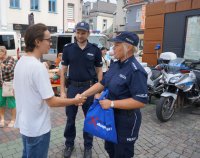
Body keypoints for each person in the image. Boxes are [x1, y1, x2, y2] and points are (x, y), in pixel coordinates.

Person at [13, 23, 86, 158]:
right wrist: (75, 100)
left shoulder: (20, 62)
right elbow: (51, 101)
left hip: (25, 125)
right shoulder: (37, 67)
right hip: (38, 128)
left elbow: (15, 91)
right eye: (48, 40)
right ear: (37, 41)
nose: (50, 44)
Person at [79, 31, 148, 158]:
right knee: (110, 148)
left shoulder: (136, 71)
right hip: (110, 117)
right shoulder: (116, 65)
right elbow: (102, 83)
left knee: (121, 153)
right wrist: (83, 94)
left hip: (126, 122)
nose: (113, 48)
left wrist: (111, 103)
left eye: (116, 45)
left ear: (128, 47)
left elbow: (140, 101)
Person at [60, 21, 103, 158]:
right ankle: (69, 144)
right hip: (72, 87)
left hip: (89, 87)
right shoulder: (68, 49)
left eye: (83, 33)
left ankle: (88, 147)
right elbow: (63, 70)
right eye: (78, 32)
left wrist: (98, 92)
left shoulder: (95, 50)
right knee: (70, 119)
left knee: (89, 119)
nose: (80, 35)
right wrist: (62, 90)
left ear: (88, 33)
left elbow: (99, 70)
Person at [0, 46, 16, 128]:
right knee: (1, 103)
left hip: (9, 84)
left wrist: (1, 64)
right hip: (1, 85)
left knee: (11, 103)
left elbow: (8, 69)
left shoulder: (11, 59)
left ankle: (13, 120)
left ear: (4, 52)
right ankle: (2, 120)